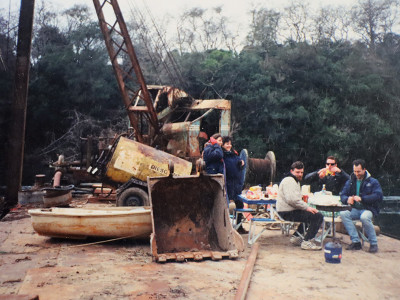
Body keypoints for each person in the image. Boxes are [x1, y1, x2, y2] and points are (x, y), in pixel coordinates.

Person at [277, 161, 324, 250]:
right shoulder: (289, 181)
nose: (300, 174)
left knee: (309, 214)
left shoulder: (294, 180)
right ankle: (307, 241)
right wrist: (307, 207)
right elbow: (292, 200)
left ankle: (296, 237)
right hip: (286, 212)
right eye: (297, 172)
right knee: (318, 216)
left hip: (287, 210)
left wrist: (306, 208)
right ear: (291, 171)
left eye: (301, 172)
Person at [339, 159, 383, 253]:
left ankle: (373, 243)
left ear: (364, 170)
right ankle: (356, 241)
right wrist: (347, 199)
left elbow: (378, 196)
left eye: (358, 171)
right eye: (354, 171)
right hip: (355, 209)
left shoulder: (373, 182)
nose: (356, 173)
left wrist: (362, 199)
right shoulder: (351, 181)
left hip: (368, 209)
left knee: (364, 217)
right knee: (343, 214)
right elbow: (342, 195)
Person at [221, 136, 246, 233]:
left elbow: (238, 162)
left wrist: (241, 162)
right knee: (225, 205)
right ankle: (226, 228)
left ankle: (239, 226)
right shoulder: (222, 155)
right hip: (227, 183)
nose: (229, 145)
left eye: (230, 143)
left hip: (236, 184)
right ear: (222, 145)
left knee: (240, 204)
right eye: (227, 143)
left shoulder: (234, 154)